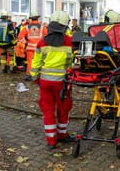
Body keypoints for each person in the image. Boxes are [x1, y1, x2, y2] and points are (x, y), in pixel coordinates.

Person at [30, 11, 74, 149]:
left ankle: (51, 140)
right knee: (63, 108)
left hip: (45, 82)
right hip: (61, 82)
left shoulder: (42, 42)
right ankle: (62, 134)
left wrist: (35, 77)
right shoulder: (69, 42)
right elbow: (70, 63)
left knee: (48, 110)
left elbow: (35, 63)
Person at [18, 12, 47, 81]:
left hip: (30, 48)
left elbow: (20, 37)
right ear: (37, 18)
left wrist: (26, 42)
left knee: (30, 62)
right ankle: (38, 75)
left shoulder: (27, 27)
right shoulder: (43, 27)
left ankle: (29, 75)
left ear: (31, 18)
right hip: (40, 48)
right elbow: (47, 37)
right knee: (39, 61)